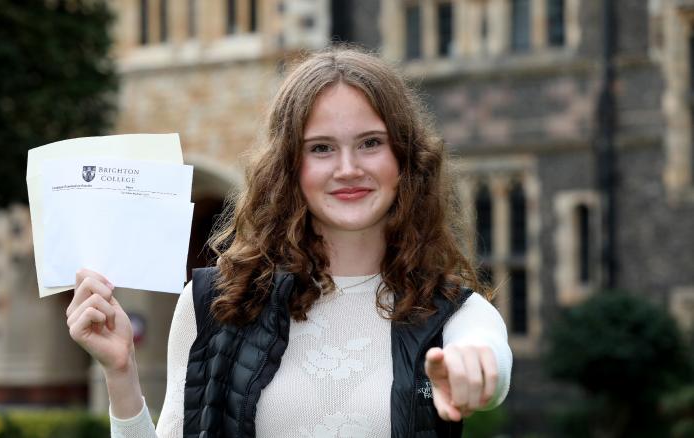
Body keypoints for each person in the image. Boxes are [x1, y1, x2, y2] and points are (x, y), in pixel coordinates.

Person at [66, 48, 512, 438]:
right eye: (320, 148)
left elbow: (486, 355)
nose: (348, 168)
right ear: (289, 167)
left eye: (371, 143)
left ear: (405, 158)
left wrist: (474, 365)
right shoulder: (212, 303)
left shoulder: (454, 312)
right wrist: (120, 371)